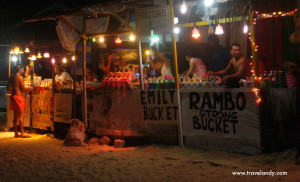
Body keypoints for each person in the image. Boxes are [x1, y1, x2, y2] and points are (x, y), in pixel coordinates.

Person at [7, 64, 32, 138]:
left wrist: (14, 90)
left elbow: (8, 88)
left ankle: (16, 133)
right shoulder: (19, 77)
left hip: (13, 97)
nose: (23, 70)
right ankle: (22, 133)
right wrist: (30, 88)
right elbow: (23, 89)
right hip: (19, 97)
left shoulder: (11, 77)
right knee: (21, 116)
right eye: (23, 69)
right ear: (19, 69)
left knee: (15, 116)